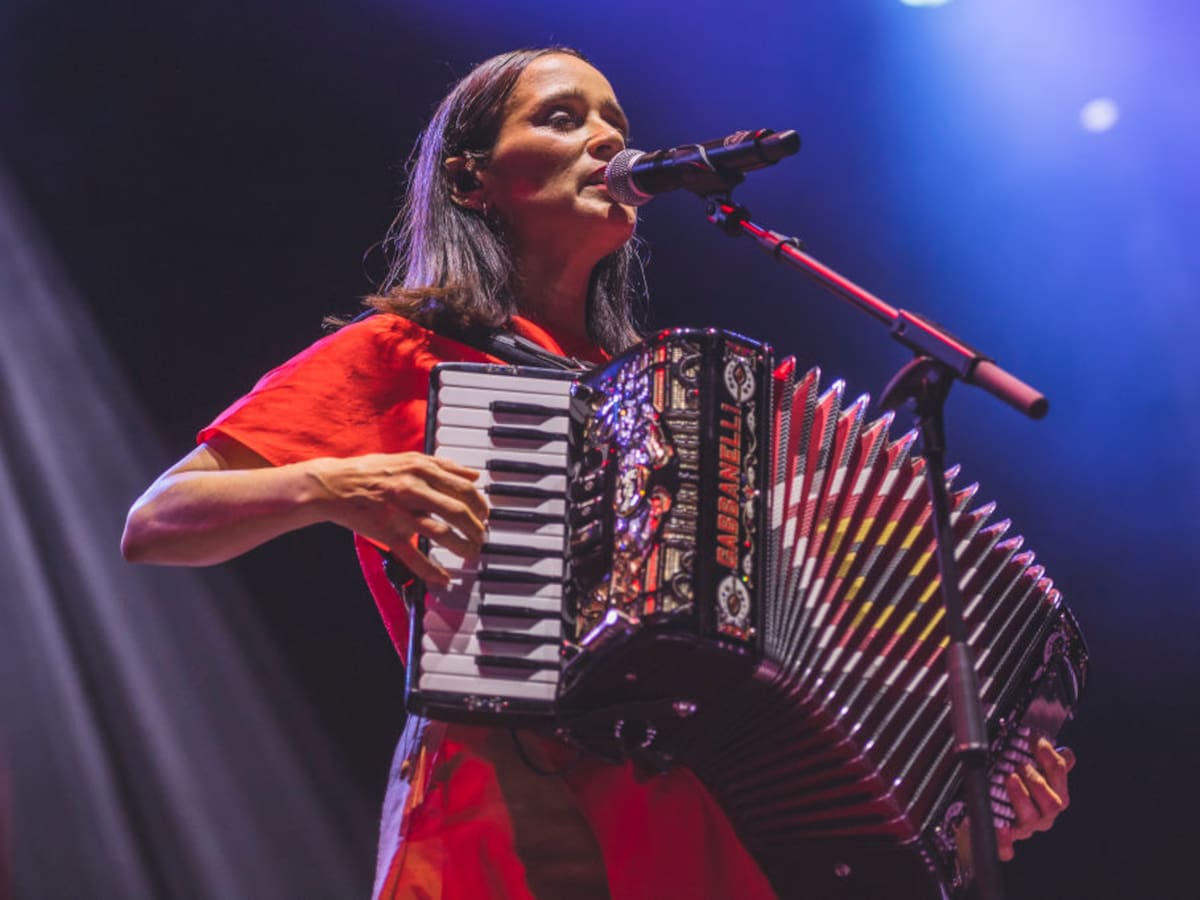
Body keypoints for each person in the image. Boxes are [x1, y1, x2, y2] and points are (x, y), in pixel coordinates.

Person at [122, 47, 1074, 898]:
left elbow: (819, 638)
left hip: (703, 825)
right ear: (472, 179)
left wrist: (970, 794)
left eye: (616, 125)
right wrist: (333, 487)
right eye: (563, 118)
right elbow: (160, 520)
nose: (605, 142)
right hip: (513, 809)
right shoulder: (406, 352)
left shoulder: (671, 403)